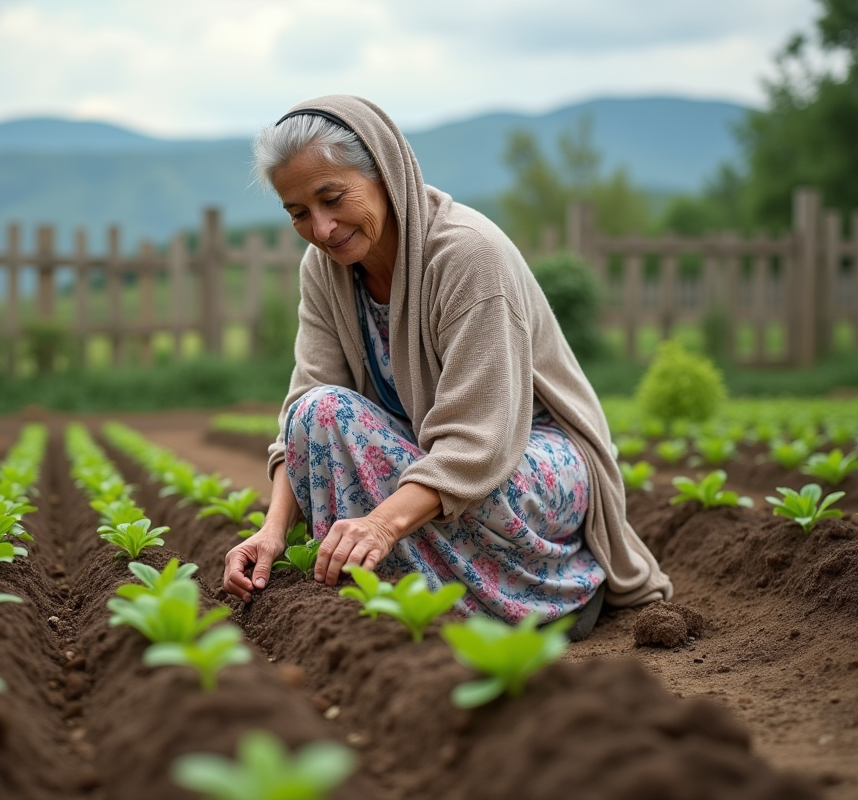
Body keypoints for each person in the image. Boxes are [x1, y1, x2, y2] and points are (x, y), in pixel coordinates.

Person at [221, 95, 670, 635]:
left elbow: (478, 442)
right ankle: (409, 611)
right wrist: (272, 531)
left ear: (385, 174)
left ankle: (550, 600)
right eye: (298, 213)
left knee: (394, 503)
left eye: (333, 197)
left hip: (527, 464)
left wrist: (383, 525)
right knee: (318, 413)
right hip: (433, 463)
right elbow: (307, 407)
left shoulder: (465, 255)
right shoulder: (325, 269)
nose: (321, 228)